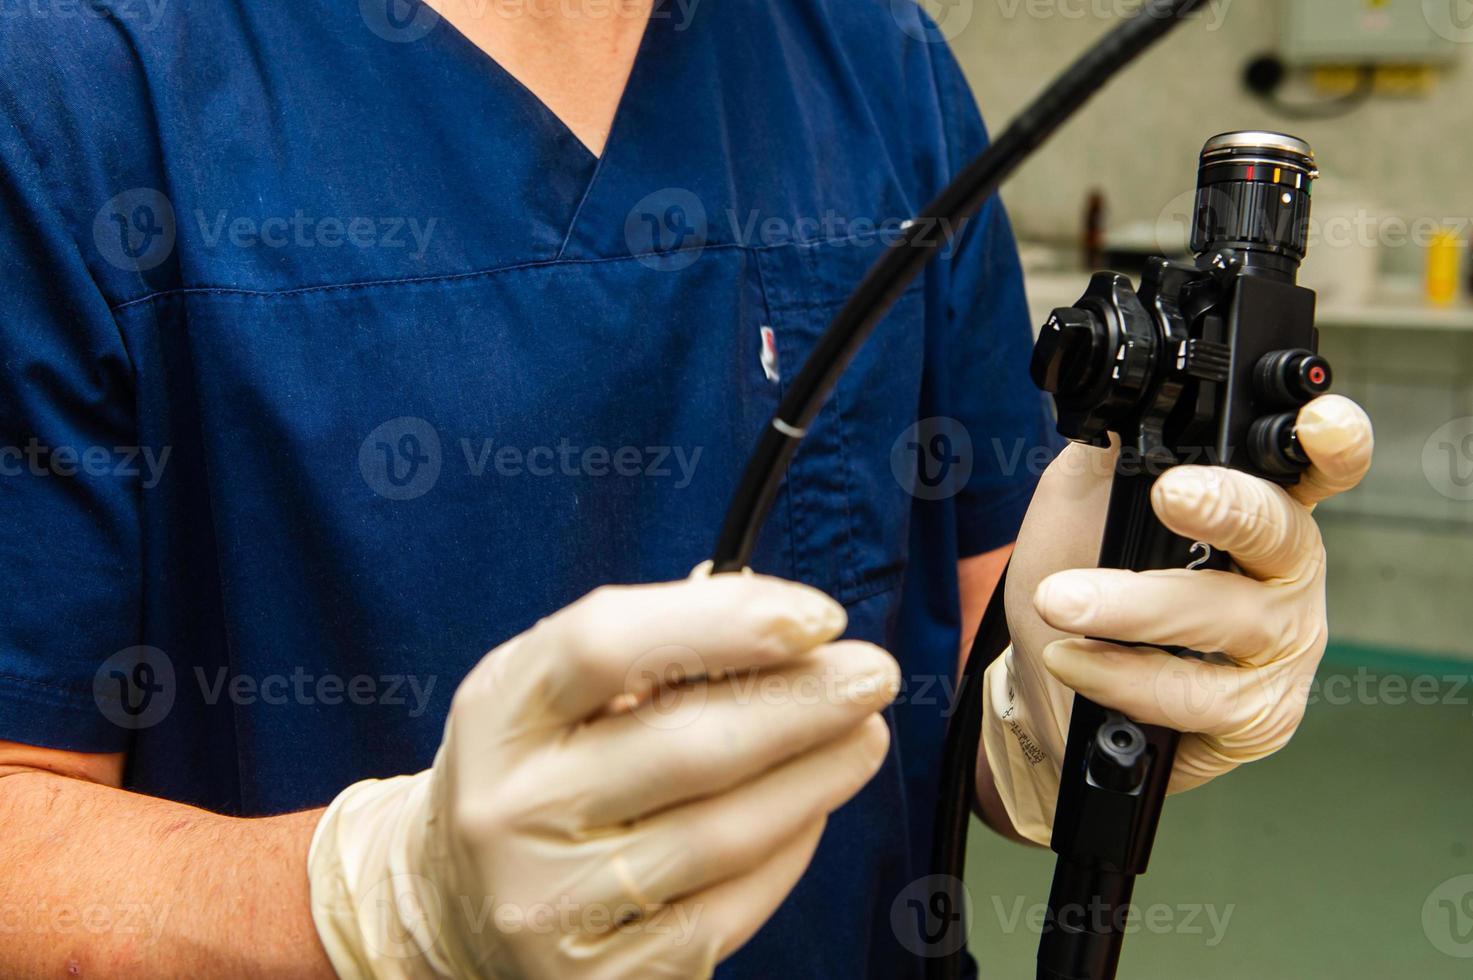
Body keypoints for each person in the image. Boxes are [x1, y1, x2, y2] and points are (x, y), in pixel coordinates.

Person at [0, 1, 1373, 977]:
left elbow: (979, 657)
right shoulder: (77, 74)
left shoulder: (874, 62)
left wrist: (1086, 681)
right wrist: (370, 908)